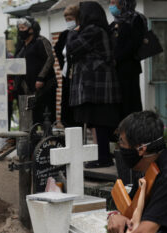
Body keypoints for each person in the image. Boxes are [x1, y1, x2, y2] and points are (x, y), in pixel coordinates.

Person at [67, 1, 121, 168]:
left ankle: (102, 157)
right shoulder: (101, 29)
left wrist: (72, 32)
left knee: (99, 121)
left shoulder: (92, 30)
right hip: (100, 84)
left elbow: (72, 48)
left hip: (96, 84)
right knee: (97, 121)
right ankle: (101, 156)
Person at [15, 17, 57, 126]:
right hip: (28, 90)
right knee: (32, 120)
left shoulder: (41, 41)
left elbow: (50, 59)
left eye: (23, 27)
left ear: (31, 29)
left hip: (44, 87)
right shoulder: (21, 45)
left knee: (46, 117)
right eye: (19, 28)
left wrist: (41, 78)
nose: (21, 30)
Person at [110, 0, 144, 123]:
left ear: (124, 3)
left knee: (130, 102)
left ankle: (133, 131)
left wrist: (116, 57)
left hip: (129, 69)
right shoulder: (114, 22)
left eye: (114, 2)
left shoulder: (135, 19)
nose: (111, 6)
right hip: (115, 70)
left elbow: (134, 44)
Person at [53, 5, 79, 128]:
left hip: (78, 75)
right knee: (66, 104)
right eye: (66, 19)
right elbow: (58, 50)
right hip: (66, 74)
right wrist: (64, 65)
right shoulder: (64, 34)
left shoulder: (82, 32)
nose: (69, 22)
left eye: (71, 18)